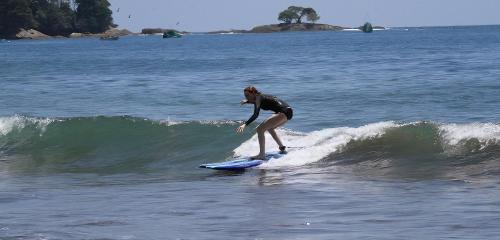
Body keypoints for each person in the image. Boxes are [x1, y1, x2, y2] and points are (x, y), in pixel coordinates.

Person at [236, 86, 293, 160]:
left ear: (253, 93)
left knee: (260, 129)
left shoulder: (258, 99)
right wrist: (247, 101)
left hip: (283, 112)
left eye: (247, 95)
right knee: (270, 128)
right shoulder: (261, 96)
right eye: (245, 96)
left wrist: (245, 124)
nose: (246, 97)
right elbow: (265, 101)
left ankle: (261, 155)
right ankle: (282, 147)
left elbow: (255, 115)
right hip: (288, 111)